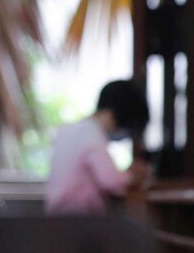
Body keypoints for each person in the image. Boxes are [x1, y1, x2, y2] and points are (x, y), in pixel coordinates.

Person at [45, 80, 151, 215]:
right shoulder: (92, 135)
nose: (125, 135)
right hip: (76, 219)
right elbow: (110, 181)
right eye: (128, 129)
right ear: (115, 116)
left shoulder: (68, 131)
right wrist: (133, 176)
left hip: (56, 216)